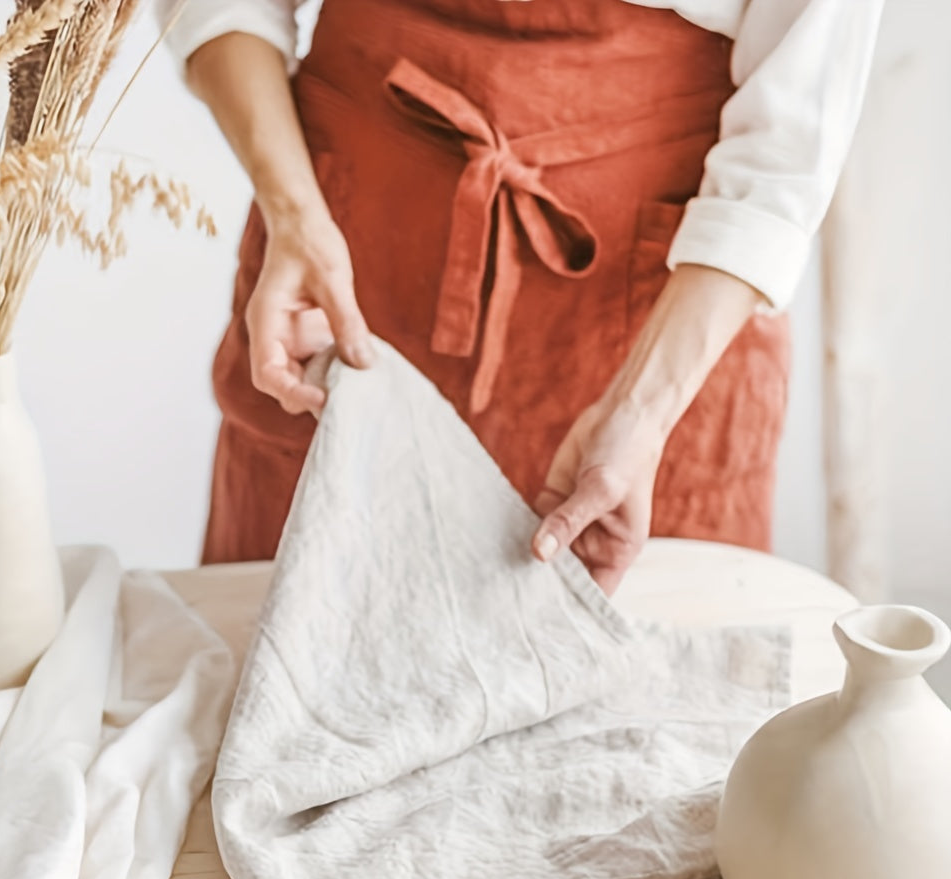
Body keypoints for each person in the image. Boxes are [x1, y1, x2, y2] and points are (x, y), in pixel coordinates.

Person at [162, 0, 882, 594]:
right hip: (342, 263)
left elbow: (790, 142)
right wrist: (294, 212)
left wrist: (643, 409)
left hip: (657, 325)